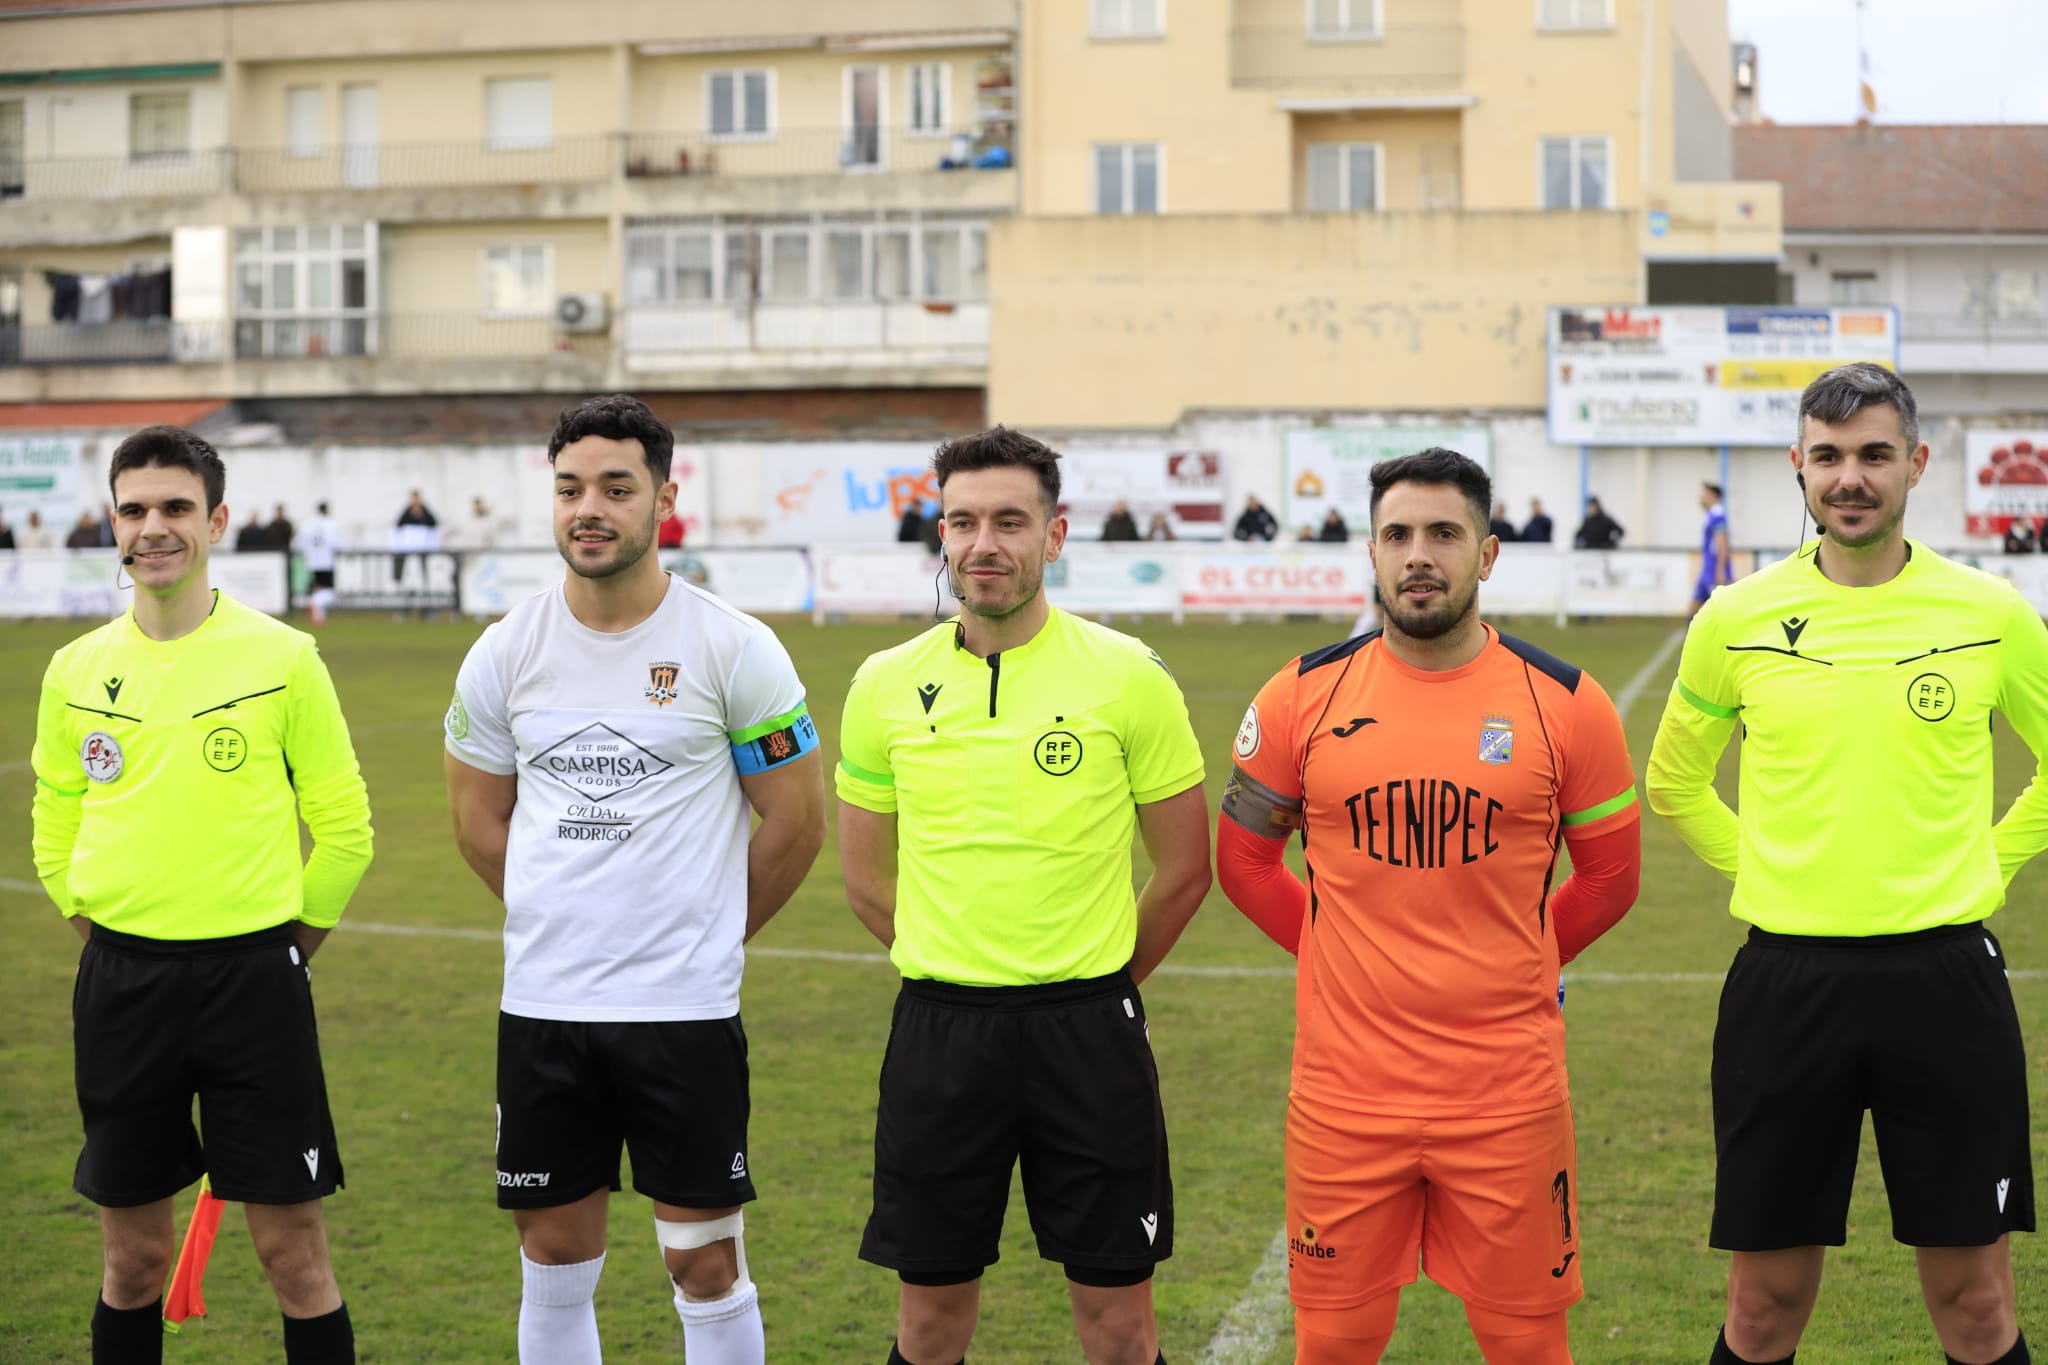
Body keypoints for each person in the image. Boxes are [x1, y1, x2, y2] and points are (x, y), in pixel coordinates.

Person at [1646, 363, 2048, 1365]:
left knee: (1976, 1306)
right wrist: (1769, 869)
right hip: (1786, 984)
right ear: (1797, 464)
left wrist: (1990, 862)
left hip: (1946, 982)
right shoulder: (1733, 618)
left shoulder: (1991, 613)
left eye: (1873, 454)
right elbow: (1675, 782)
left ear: (1916, 462)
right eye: (1826, 456)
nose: (1849, 477)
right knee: (1761, 1307)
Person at [1217, 446, 1641, 1365]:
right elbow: (1244, 861)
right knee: (1334, 1342)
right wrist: (1340, 956)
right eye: (1397, 534)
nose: (1419, 555)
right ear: (1370, 551)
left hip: (1508, 1095)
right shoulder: (1298, 694)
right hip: (1344, 1096)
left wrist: (1521, 959)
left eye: (1444, 533)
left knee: (1527, 1344)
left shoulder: (1569, 703)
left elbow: (1612, 878)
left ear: (1487, 553)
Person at [444, 394, 826, 1365]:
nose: (589, 509)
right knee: (551, 1255)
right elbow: (480, 824)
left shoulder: (734, 646)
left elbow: (795, 820)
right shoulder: (504, 651)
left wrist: (705, 927)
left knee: (704, 1263)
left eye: (616, 488)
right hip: (545, 1005)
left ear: (664, 497)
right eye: (570, 488)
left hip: (681, 1009)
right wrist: (564, 914)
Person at [835, 425, 1211, 1365]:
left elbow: (1184, 869)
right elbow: (865, 880)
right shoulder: (883, 684)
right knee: (929, 1326)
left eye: (1010, 520)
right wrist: (956, 956)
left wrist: (1099, 980)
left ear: (1055, 533)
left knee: (1119, 1329)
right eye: (963, 521)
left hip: (1089, 1035)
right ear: (942, 533)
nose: (984, 543)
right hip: (940, 1035)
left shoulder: (1129, 675)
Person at [30, 425, 373, 1365]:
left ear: (217, 522)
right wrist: (91, 919)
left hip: (255, 984)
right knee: (133, 1259)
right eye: (134, 509)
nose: (154, 528)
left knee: (293, 1253)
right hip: (123, 984)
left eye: (176, 507)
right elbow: (54, 811)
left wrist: (286, 947)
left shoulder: (284, 657)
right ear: (113, 523)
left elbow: (345, 825)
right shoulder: (73, 668)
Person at [1690, 481, 1733, 617]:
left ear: (1713, 495)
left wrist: (1720, 571)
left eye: (1704, 493)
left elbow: (1722, 543)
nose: (1701, 496)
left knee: (1719, 612)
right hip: (1707, 571)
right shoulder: (1711, 515)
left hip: (1714, 572)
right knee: (1693, 610)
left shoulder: (1718, 515)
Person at [298, 501, 342, 627]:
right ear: (327, 510)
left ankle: (319, 619)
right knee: (329, 592)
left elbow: (300, 541)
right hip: (326, 562)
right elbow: (334, 541)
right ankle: (314, 603)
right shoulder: (329, 523)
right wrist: (345, 550)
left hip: (312, 561)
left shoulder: (309, 523)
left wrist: (305, 554)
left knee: (319, 589)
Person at [393, 490, 438, 588]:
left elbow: (433, 524)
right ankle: (397, 581)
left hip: (423, 545)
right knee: (399, 557)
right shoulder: (406, 512)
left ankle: (426, 582)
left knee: (425, 560)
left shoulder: (426, 512)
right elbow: (399, 526)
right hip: (408, 545)